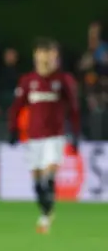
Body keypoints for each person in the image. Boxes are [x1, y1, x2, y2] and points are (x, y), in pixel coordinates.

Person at [7, 39, 81, 235]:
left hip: (55, 136)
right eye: (41, 54)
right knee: (38, 184)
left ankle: (46, 215)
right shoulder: (27, 81)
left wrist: (75, 132)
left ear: (55, 57)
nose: (45, 59)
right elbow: (17, 107)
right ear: (36, 57)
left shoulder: (63, 80)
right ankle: (46, 213)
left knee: (48, 178)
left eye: (49, 55)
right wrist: (13, 129)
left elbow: (74, 108)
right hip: (33, 137)